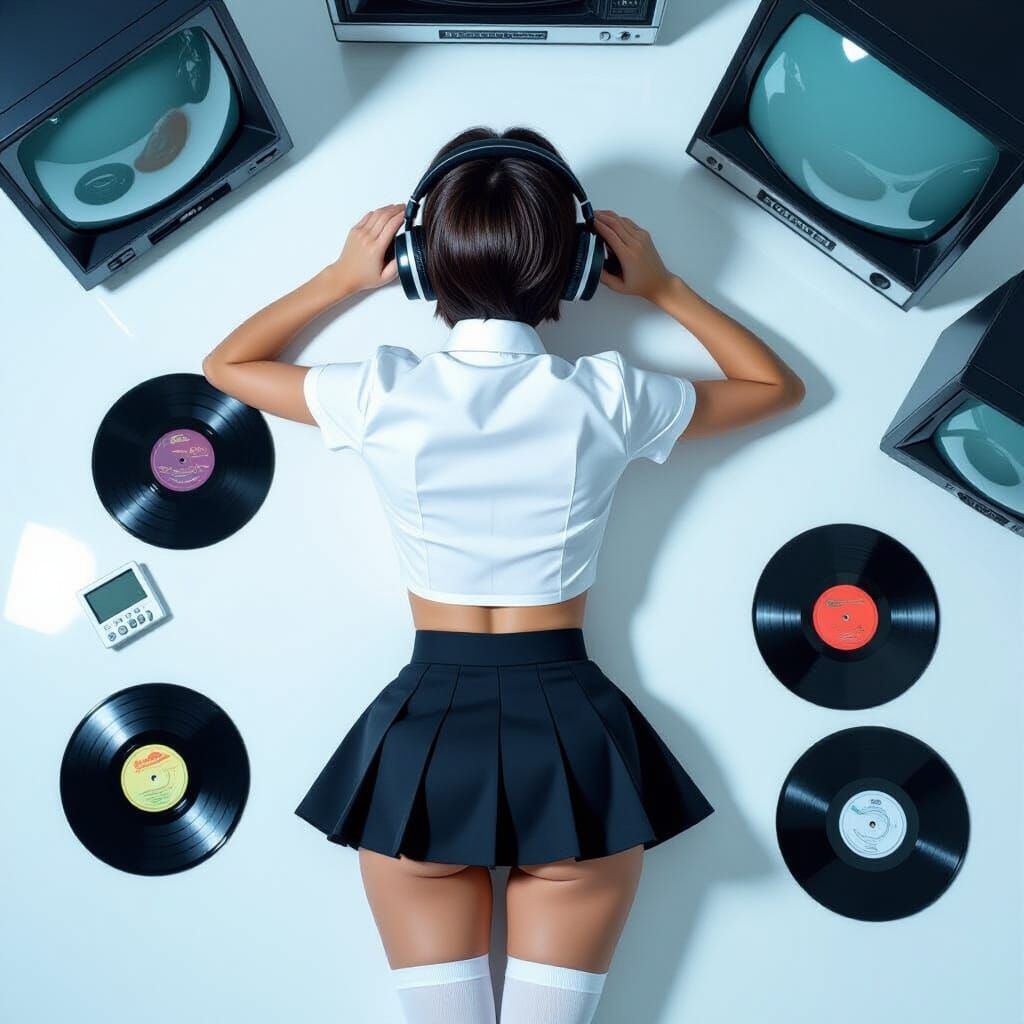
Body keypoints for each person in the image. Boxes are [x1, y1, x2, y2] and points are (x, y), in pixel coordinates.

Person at [203, 126, 805, 1024]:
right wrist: (668, 290)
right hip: (571, 733)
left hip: (422, 738)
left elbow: (227, 367)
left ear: (414, 263)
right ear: (573, 271)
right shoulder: (609, 394)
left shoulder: (380, 391)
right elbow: (773, 387)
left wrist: (339, 279)